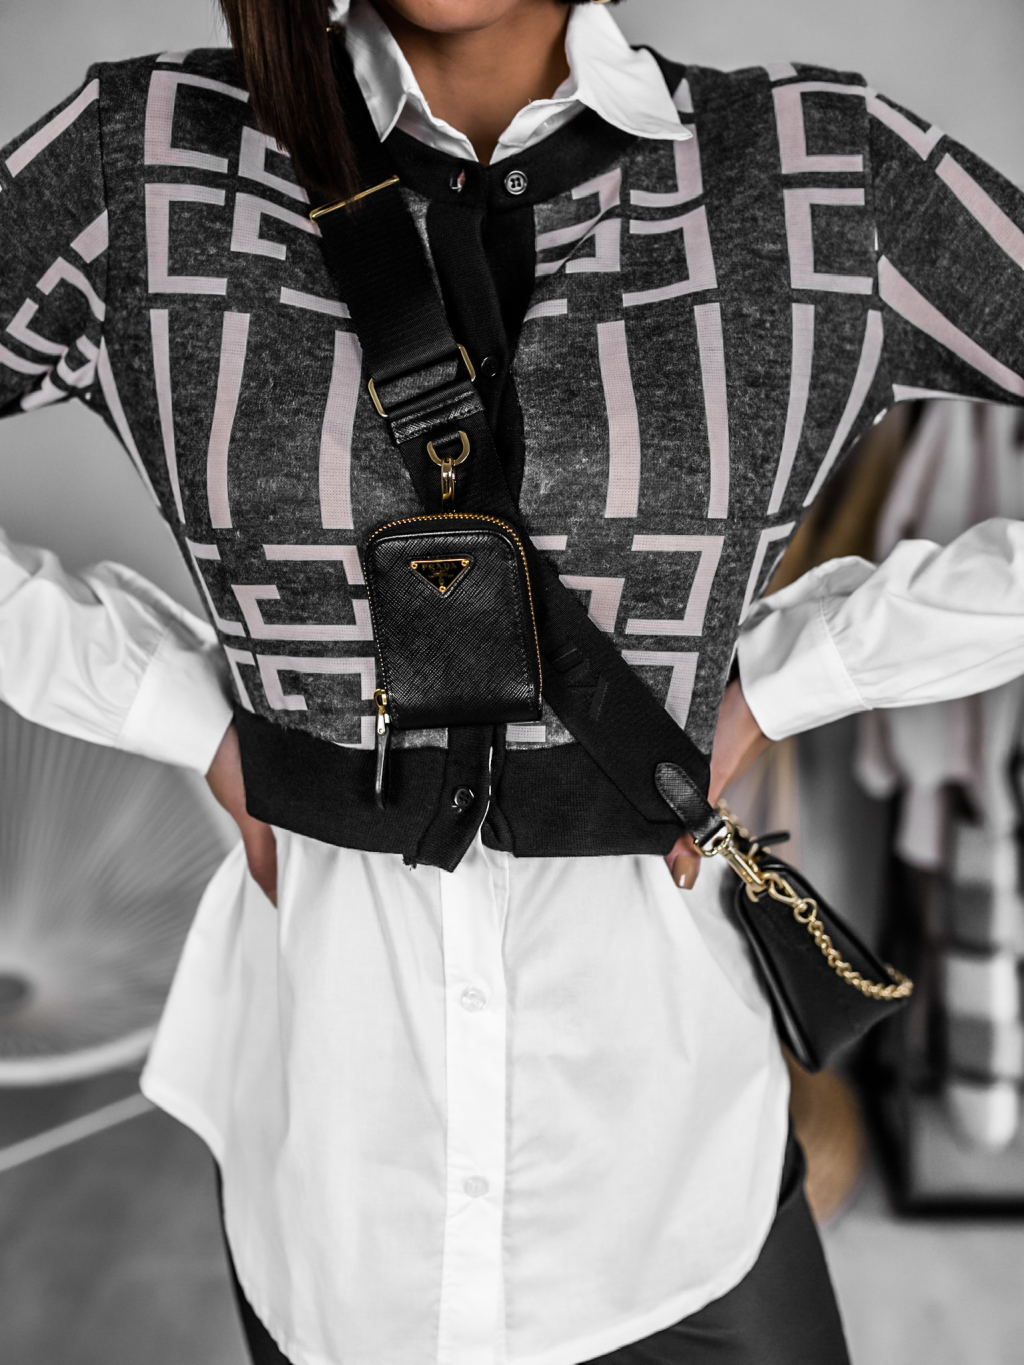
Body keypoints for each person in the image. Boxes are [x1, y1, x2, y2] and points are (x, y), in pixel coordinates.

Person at [4, 0, 1024, 1361]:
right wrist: (176, 706)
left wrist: (799, 673)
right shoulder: (144, 160)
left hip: (678, 1196)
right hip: (341, 1195)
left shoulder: (818, 170)